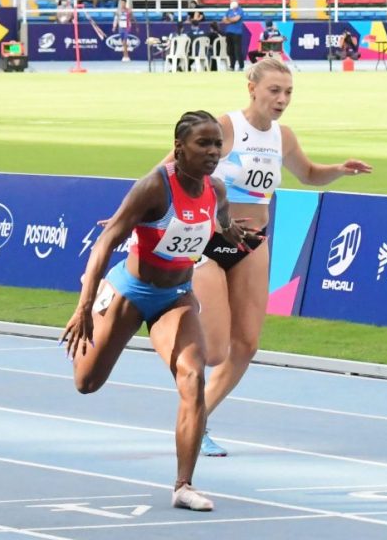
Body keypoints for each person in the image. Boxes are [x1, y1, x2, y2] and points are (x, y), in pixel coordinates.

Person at [161, 59, 372, 456]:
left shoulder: (283, 137)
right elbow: (166, 169)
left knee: (247, 345)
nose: (282, 99)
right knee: (216, 349)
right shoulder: (225, 128)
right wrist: (137, 211)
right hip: (209, 240)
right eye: (274, 90)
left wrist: (339, 170)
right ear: (252, 89)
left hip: (253, 242)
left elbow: (308, 174)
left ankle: (199, 419)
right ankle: (174, 349)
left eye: (288, 92)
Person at [62, 111, 250, 511]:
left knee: (193, 376)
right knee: (86, 382)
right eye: (203, 144)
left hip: (176, 297)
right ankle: (99, 309)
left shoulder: (216, 189)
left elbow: (220, 220)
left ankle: (184, 485)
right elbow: (104, 243)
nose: (213, 152)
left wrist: (231, 231)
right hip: (130, 291)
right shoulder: (153, 188)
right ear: (179, 148)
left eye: (218, 144)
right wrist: (84, 305)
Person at [222, 0, 244, 71]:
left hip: (237, 33)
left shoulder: (240, 10)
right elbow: (224, 20)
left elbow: (236, 19)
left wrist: (229, 19)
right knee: (230, 50)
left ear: (237, 1)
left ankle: (241, 66)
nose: (233, 2)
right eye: (231, 1)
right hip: (229, 32)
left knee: (237, 50)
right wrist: (231, 19)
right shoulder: (229, 10)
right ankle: (232, 66)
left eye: (234, 1)